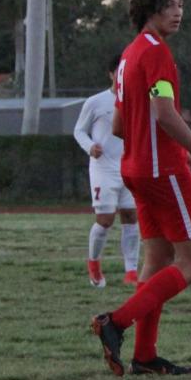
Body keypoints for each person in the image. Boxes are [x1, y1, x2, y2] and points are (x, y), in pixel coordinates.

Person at [89, 0, 191, 377]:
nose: (179, 11)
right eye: (171, 3)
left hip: (135, 170)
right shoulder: (157, 54)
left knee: (157, 260)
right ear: (151, 7)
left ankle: (145, 356)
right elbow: (164, 113)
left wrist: (157, 143)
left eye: (181, 4)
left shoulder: (128, 56)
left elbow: (119, 126)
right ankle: (114, 322)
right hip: (162, 172)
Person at [73, 52, 140, 288]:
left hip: (131, 166)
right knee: (105, 219)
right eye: (119, 72)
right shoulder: (96, 102)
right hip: (104, 169)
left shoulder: (137, 99)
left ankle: (131, 271)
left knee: (131, 216)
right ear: (112, 74)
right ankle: (94, 264)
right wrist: (90, 146)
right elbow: (79, 130)